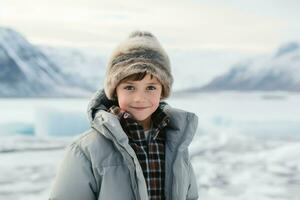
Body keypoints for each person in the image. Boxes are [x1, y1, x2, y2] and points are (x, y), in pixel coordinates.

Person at [49, 31, 199, 200]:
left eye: (150, 87)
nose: (140, 98)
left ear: (162, 91)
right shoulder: (85, 150)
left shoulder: (175, 142)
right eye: (129, 87)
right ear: (114, 91)